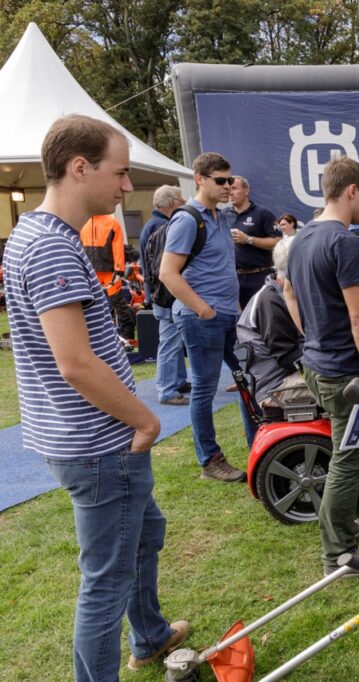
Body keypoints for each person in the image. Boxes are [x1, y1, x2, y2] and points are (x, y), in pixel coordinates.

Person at [3, 114, 189, 679]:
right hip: (100, 443)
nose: (127, 186)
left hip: (83, 436)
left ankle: (151, 633)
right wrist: (145, 420)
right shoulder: (53, 248)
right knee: (107, 578)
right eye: (122, 172)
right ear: (80, 167)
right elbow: (76, 363)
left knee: (144, 533)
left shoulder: (36, 236)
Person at [284, 156, 359, 577]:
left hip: (317, 363)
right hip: (344, 373)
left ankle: (342, 526)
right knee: (349, 460)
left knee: (345, 455)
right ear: (352, 190)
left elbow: (290, 294)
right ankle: (339, 555)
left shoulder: (303, 238)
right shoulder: (347, 242)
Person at [159, 152, 252, 482]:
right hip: (202, 319)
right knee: (204, 388)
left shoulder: (222, 217)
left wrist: (235, 310)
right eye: (221, 180)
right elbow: (168, 273)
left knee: (249, 378)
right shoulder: (187, 219)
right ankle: (210, 461)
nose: (229, 186)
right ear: (200, 179)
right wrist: (203, 309)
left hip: (228, 317)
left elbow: (223, 267)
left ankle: (259, 449)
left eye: (231, 180)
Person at [236, 236, 308, 408]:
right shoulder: (271, 301)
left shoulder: (284, 293)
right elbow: (288, 358)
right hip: (276, 387)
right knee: (341, 384)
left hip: (284, 379)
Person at [139, 185, 190, 405]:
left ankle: (177, 381)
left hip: (159, 293)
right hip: (166, 294)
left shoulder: (151, 226)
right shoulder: (164, 227)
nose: (184, 202)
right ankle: (168, 390)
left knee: (172, 340)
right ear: (172, 203)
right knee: (169, 342)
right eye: (180, 199)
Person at [226, 175, 281, 309]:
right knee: (240, 322)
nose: (230, 192)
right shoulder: (223, 215)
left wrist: (248, 239)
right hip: (233, 278)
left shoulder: (262, 213)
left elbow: (278, 241)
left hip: (259, 276)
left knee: (262, 317)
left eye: (234, 188)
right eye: (228, 189)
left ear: (246, 191)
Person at [80, 213, 136, 342]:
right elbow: (79, 246)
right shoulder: (84, 222)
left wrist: (118, 270)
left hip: (108, 271)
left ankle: (128, 336)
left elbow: (118, 248)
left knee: (118, 303)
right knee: (89, 304)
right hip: (91, 271)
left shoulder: (112, 222)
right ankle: (93, 336)